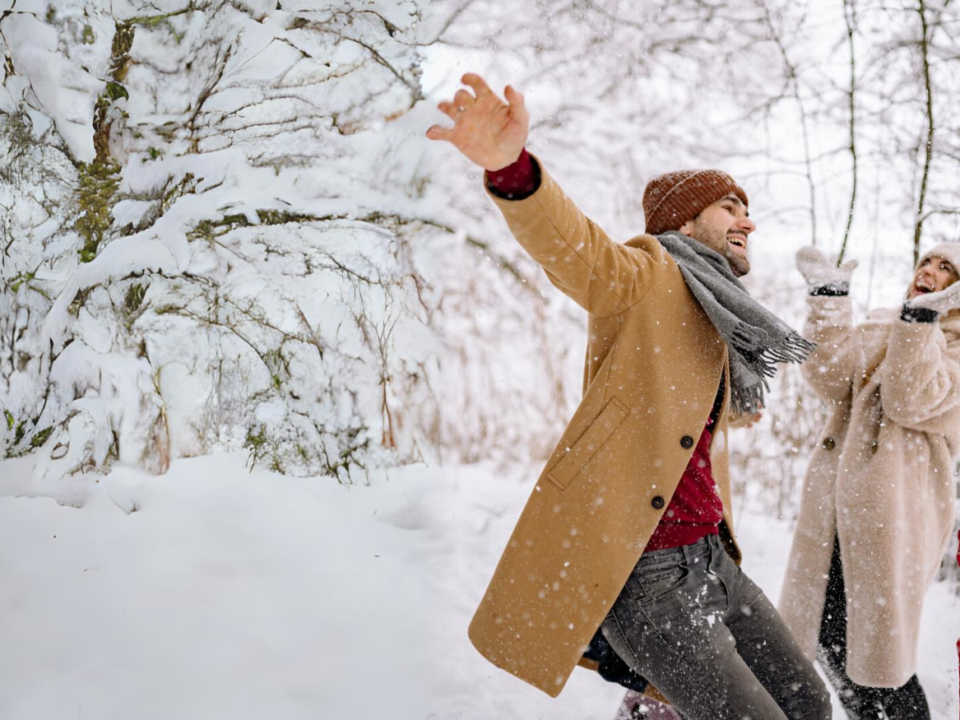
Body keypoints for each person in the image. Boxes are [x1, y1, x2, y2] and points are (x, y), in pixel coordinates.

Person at [426, 73, 832, 720]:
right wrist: (513, 170)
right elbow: (577, 251)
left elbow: (678, 417)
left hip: (712, 558)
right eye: (730, 207)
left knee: (808, 701)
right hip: (650, 573)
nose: (747, 220)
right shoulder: (646, 274)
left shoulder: (718, 308)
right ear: (684, 220)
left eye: (746, 209)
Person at [780, 244, 960, 719]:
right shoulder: (887, 323)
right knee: (827, 635)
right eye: (926, 262)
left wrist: (921, 323)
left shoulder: (955, 348)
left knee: (880, 658)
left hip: (893, 520)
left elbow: (907, 398)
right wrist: (829, 301)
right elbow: (829, 377)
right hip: (834, 512)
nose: (929, 271)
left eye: (946, 268)